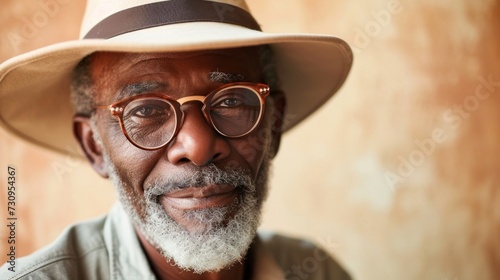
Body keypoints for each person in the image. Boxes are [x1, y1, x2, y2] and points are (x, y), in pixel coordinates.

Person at [0, 0, 353, 279]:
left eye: (231, 100)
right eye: (146, 110)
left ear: (272, 124)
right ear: (94, 146)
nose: (198, 147)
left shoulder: (317, 272)